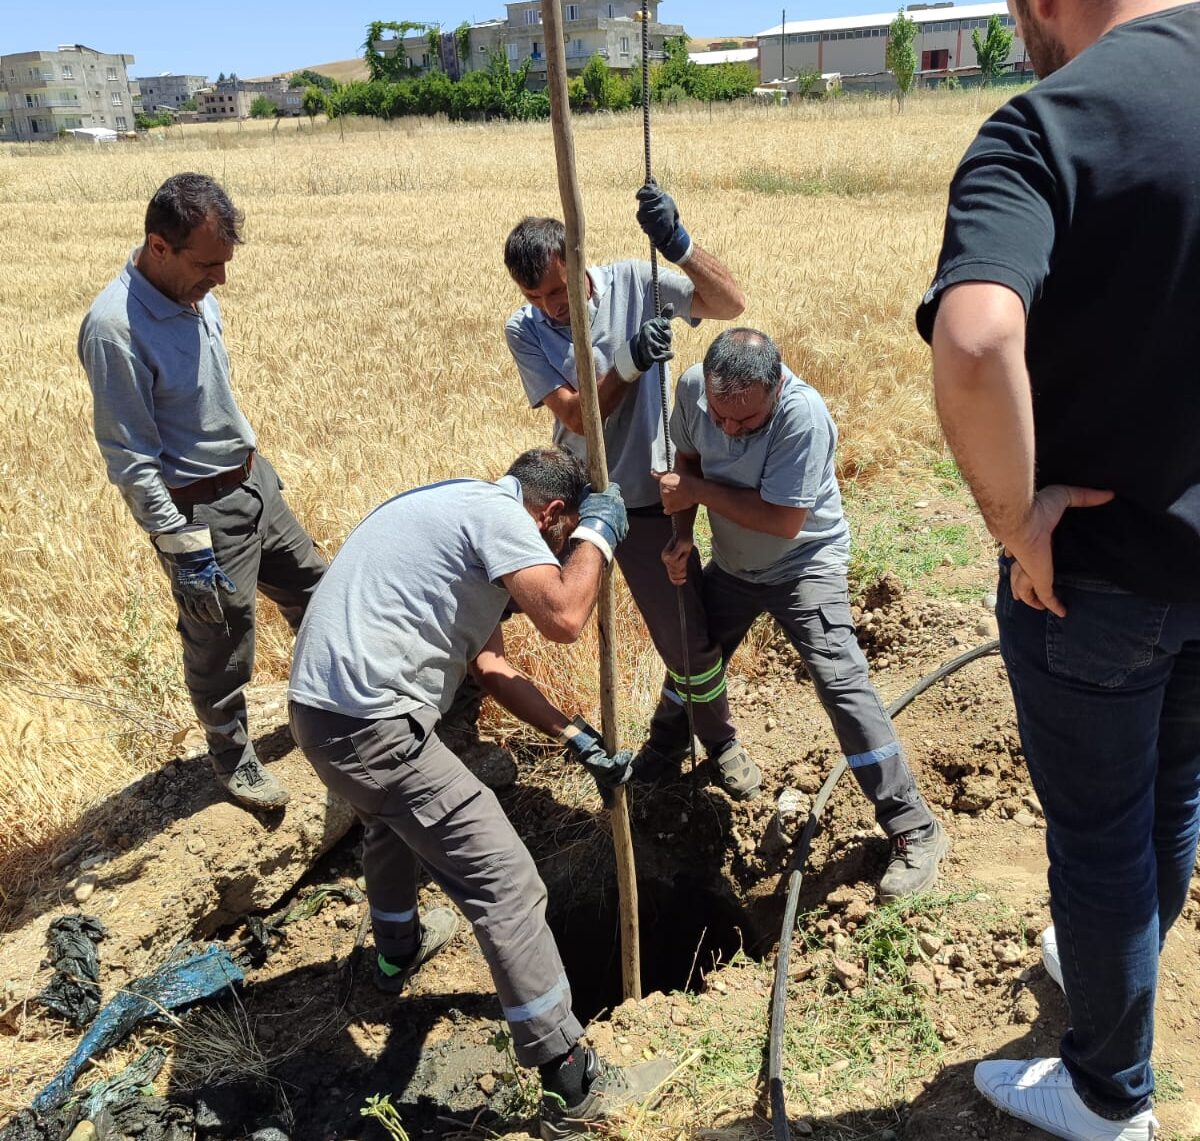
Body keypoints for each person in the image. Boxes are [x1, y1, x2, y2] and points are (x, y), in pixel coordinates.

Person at [918, 0, 1200, 1134]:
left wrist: (1015, 519)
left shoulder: (1049, 126)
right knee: (1174, 793)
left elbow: (979, 337)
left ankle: (1106, 1091)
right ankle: (1118, 956)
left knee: (1097, 834)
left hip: (1093, 583)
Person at [287, 446, 672, 1140]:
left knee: (388, 821)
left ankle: (394, 952)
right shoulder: (503, 518)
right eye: (561, 537)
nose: (553, 552)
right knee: (508, 885)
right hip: (374, 725)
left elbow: (491, 664)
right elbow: (564, 616)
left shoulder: (456, 504)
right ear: (551, 515)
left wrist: (575, 734)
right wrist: (599, 535)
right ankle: (572, 1082)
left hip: (322, 716)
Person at [653, 328, 947, 901]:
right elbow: (687, 457)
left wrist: (691, 490)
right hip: (735, 565)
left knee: (842, 684)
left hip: (804, 564)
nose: (732, 431)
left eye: (748, 422)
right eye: (722, 418)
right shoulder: (693, 389)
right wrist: (682, 536)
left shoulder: (801, 416)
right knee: (691, 652)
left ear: (777, 386)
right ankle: (663, 753)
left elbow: (782, 520)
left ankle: (914, 827)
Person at [503, 188, 762, 799]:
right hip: (575, 495)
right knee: (497, 593)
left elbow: (728, 303)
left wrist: (679, 244)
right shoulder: (525, 329)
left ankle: (717, 740)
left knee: (683, 636)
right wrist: (628, 362)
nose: (551, 308)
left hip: (647, 493)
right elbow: (575, 415)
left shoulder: (636, 282)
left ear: (576, 260)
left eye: (558, 292)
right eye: (535, 298)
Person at [78, 172, 326, 811]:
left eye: (224, 263)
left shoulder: (192, 292)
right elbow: (130, 457)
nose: (220, 280)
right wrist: (181, 545)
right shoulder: (114, 329)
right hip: (199, 509)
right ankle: (231, 755)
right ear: (159, 247)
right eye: (207, 264)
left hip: (253, 482)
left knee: (320, 591)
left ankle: (331, 703)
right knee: (221, 635)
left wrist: (255, 471)